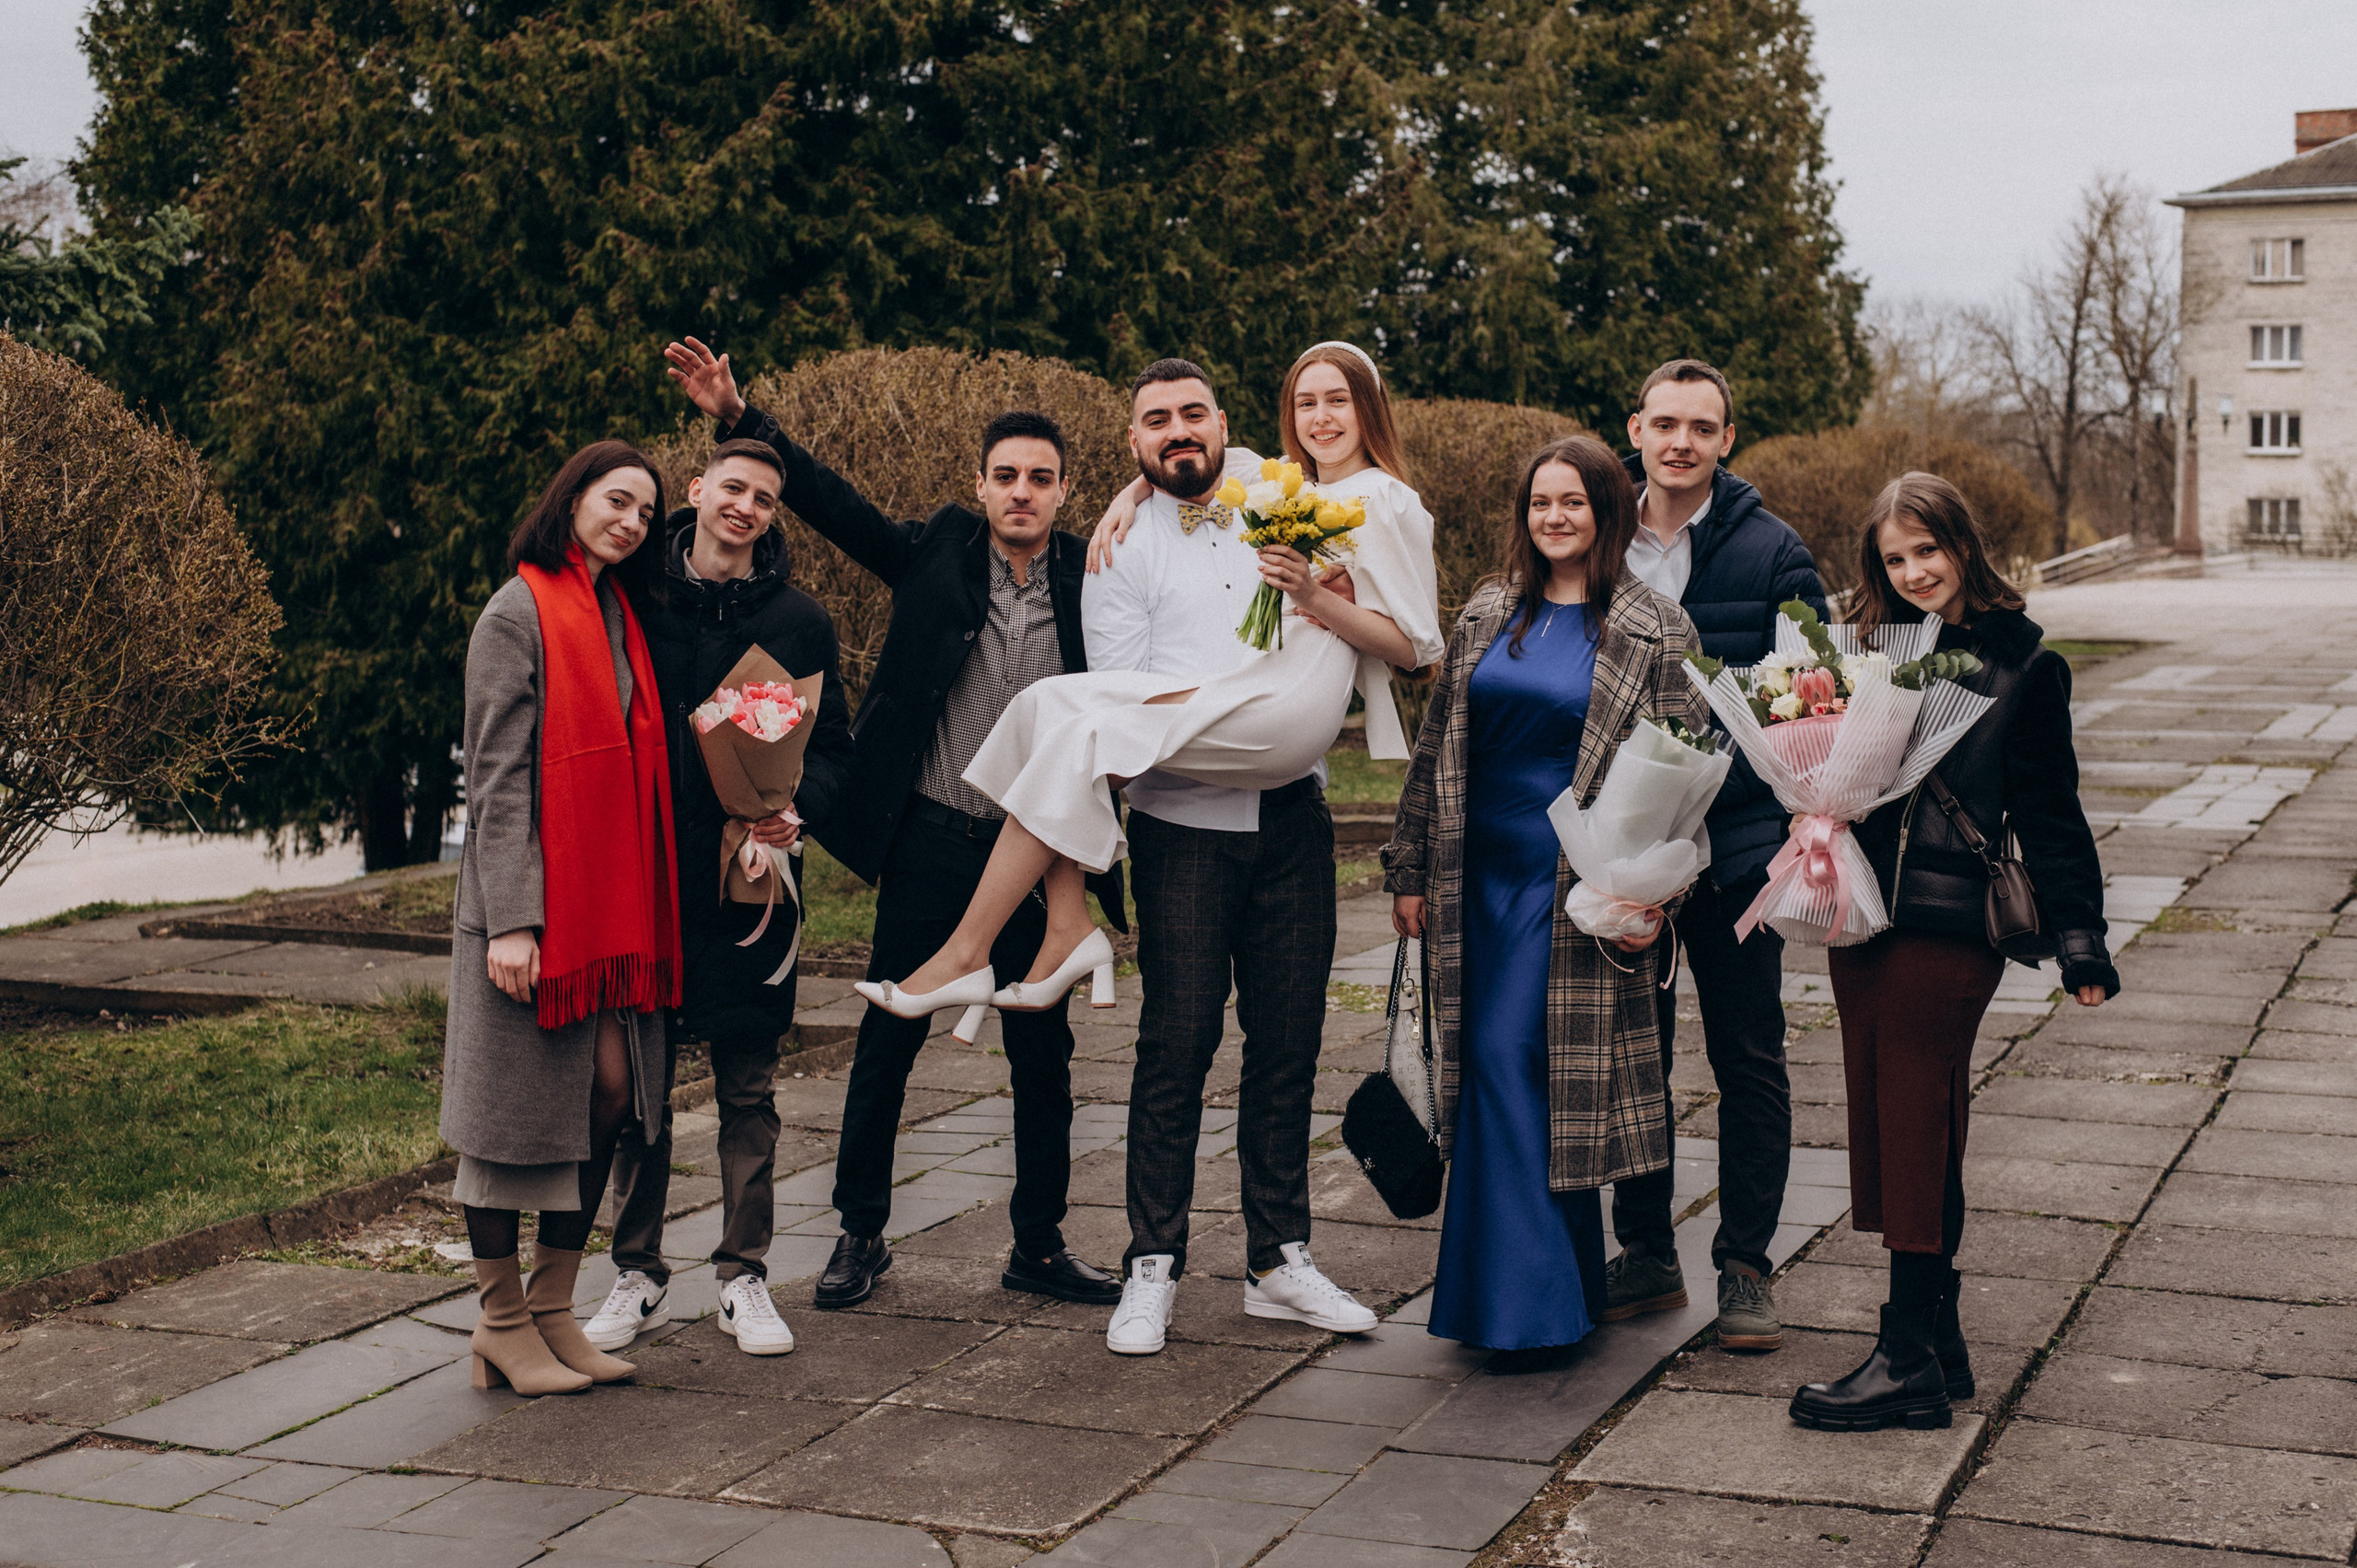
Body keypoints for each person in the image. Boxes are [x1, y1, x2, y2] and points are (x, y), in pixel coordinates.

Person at [867, 347, 1444, 1354]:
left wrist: (1303, 594)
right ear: (1131, 443)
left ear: (1225, 424)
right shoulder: (1117, 549)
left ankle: (1279, 1259)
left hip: (1292, 815)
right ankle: (1152, 1263)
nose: (1177, 432)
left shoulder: (1279, 486)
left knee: (1287, 1049)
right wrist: (1141, 498)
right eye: (1154, 425)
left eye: (1192, 415)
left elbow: (1406, 635)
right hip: (1182, 825)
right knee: (1173, 1051)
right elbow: (1129, 705)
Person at [652, 337, 1130, 1313]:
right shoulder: (935, 553)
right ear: (981, 484)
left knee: (1043, 1056)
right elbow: (832, 502)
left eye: (1041, 478)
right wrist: (740, 418)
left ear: (1067, 489)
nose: (1022, 492)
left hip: (1042, 857)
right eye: (1005, 476)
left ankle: (1037, 1241)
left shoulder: (1096, 577)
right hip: (933, 834)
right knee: (886, 1040)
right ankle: (858, 1232)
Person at [1790, 472, 2116, 1432]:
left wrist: (2081, 940)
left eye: (1926, 550)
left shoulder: (2023, 666)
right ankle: (1936, 1336)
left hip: (1950, 923)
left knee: (1915, 1115)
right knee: (1899, 1123)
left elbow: (2053, 812)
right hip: (1861, 916)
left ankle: (1904, 1359)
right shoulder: (1863, 652)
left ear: (1963, 546)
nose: (1913, 570)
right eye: (1894, 558)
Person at [1386, 436, 1709, 1355]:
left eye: (1572, 502)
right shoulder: (1489, 608)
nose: (1554, 517)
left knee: (1514, 1059)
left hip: (1571, 886)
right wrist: (1407, 869)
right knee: (1495, 1070)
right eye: (1539, 502)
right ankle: (1543, 1290)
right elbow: (1434, 751)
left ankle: (1523, 1304)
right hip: (1470, 874)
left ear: (1608, 512)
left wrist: (1656, 898)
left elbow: (1682, 775)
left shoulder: (1653, 624)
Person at [581, 430, 855, 1359]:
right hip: (646, 876)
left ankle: (743, 1273)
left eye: (765, 499)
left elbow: (831, 755)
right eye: (732, 487)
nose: (744, 507)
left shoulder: (799, 622)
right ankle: (637, 1271)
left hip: (751, 884)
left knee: (748, 1082)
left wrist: (796, 814)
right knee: (640, 1090)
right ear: (697, 489)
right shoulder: (630, 598)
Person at [441, 440, 681, 1396]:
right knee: (510, 1125)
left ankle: (551, 1308)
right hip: (531, 910)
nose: (629, 521)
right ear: (573, 497)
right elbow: (495, 776)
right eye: (617, 501)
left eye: (644, 514)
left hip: (609, 912)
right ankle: (501, 1321)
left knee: (611, 1095)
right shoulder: (518, 611)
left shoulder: (618, 611)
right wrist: (513, 918)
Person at [1608, 358, 1826, 1353]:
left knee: (1747, 1055)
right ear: (1637, 428)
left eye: (1701, 426)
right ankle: (1645, 1250)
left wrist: (1733, 786)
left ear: (1725, 439)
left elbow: (1814, 706)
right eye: (1664, 424)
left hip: (1735, 846)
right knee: (1631, 1055)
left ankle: (1745, 1265)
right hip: (1623, 845)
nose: (1680, 442)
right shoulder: (1597, 531)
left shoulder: (1775, 551)